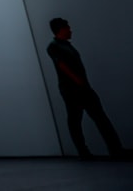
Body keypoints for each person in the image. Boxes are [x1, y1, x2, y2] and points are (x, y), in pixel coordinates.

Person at [46, 17, 124, 159]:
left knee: (99, 117)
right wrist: (76, 80)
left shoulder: (67, 45)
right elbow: (61, 64)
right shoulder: (54, 46)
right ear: (61, 29)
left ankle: (116, 149)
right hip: (71, 90)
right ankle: (84, 151)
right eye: (68, 28)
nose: (70, 30)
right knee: (76, 120)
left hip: (82, 88)